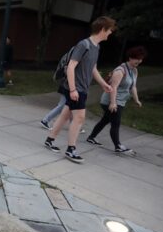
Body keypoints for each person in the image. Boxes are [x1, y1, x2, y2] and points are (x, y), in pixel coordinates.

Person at [44, 16, 116, 163]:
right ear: (102, 29)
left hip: (80, 88)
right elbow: (71, 67)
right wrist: (72, 90)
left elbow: (93, 68)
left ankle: (49, 140)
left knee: (65, 115)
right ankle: (71, 149)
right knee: (79, 118)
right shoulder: (84, 45)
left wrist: (103, 84)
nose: (110, 33)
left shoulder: (96, 47)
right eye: (109, 30)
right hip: (76, 89)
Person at [86, 46, 146, 155]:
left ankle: (91, 137)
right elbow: (113, 87)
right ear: (130, 58)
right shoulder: (120, 70)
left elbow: (133, 86)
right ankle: (118, 146)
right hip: (110, 101)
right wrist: (113, 103)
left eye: (141, 59)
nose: (139, 61)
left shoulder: (134, 70)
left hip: (120, 101)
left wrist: (136, 99)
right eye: (137, 58)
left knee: (105, 120)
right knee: (116, 123)